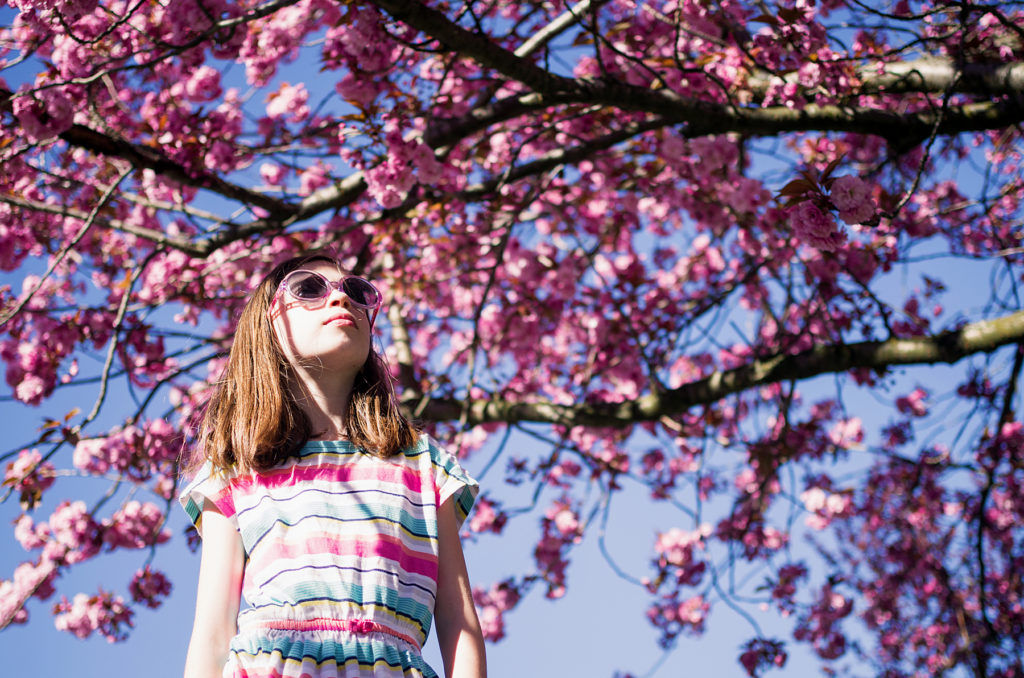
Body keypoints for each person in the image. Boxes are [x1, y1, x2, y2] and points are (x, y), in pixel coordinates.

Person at [178, 253, 487, 678]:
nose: (340, 298)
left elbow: (460, 625)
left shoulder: (424, 465)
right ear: (269, 326)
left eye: (356, 292)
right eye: (309, 289)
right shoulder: (235, 470)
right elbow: (211, 635)